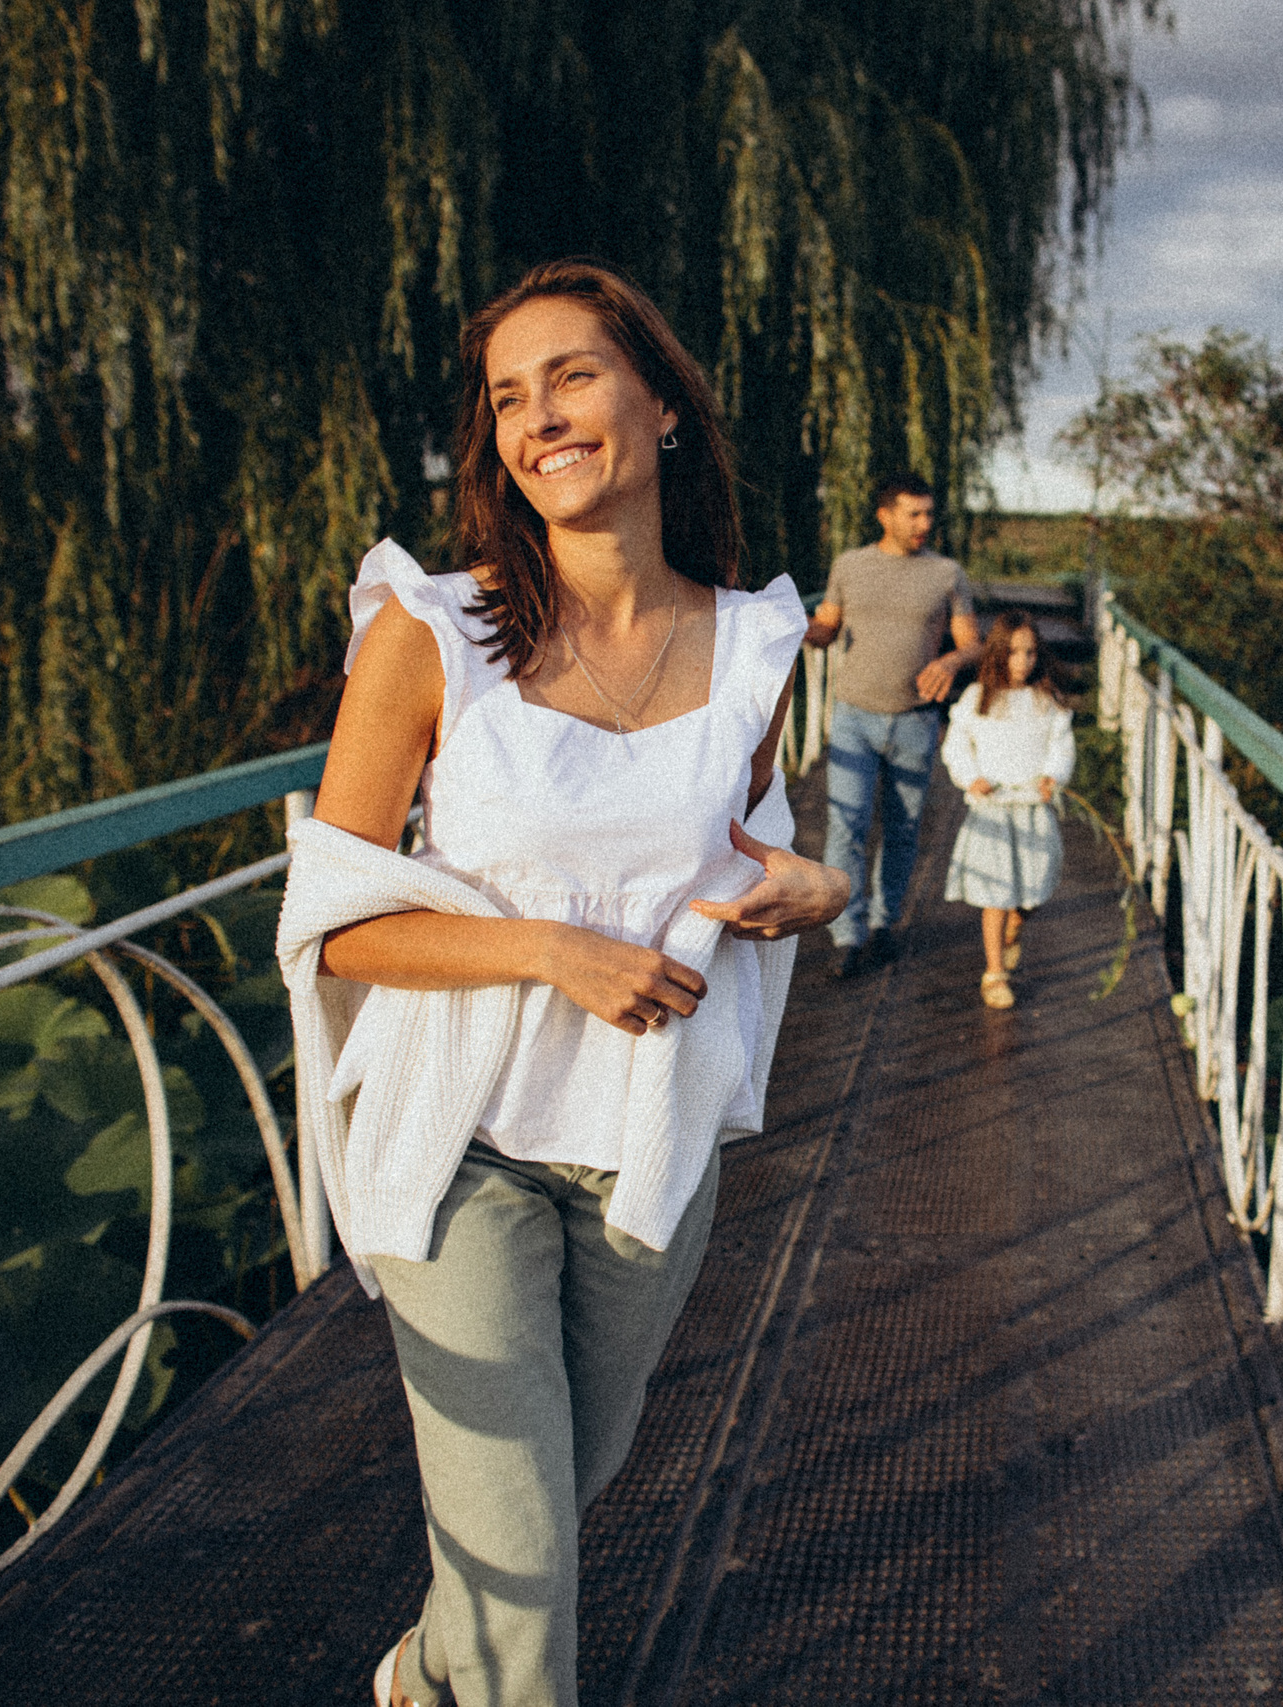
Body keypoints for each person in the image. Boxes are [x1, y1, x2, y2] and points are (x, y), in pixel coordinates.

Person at [275, 257, 848, 1707]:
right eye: (507, 397)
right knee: (531, 1578)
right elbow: (334, 919)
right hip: (455, 1137)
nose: (540, 416)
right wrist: (546, 947)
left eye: (573, 375)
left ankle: (417, 1675)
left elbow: (755, 852)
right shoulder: (434, 631)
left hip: (644, 1145)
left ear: (659, 406)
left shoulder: (756, 647)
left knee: (544, 1509)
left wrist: (817, 890)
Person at [804, 472, 981, 976]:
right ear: (885, 515)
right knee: (847, 823)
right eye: (914, 513)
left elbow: (972, 642)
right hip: (855, 715)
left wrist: (950, 663)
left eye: (929, 513)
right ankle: (846, 935)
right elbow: (826, 629)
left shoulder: (946, 573)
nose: (925, 523)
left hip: (915, 722)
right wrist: (787, 623)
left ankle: (884, 925)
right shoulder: (850, 565)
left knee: (903, 830)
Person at [939, 611, 1076, 1010]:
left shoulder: (1046, 701)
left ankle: (1017, 922)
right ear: (998, 653)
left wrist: (1053, 774)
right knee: (995, 892)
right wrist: (970, 776)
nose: (1023, 661)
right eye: (1014, 652)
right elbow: (957, 744)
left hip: (1031, 806)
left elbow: (1060, 743)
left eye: (1031, 653)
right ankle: (994, 971)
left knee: (1035, 884)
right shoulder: (978, 698)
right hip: (993, 809)